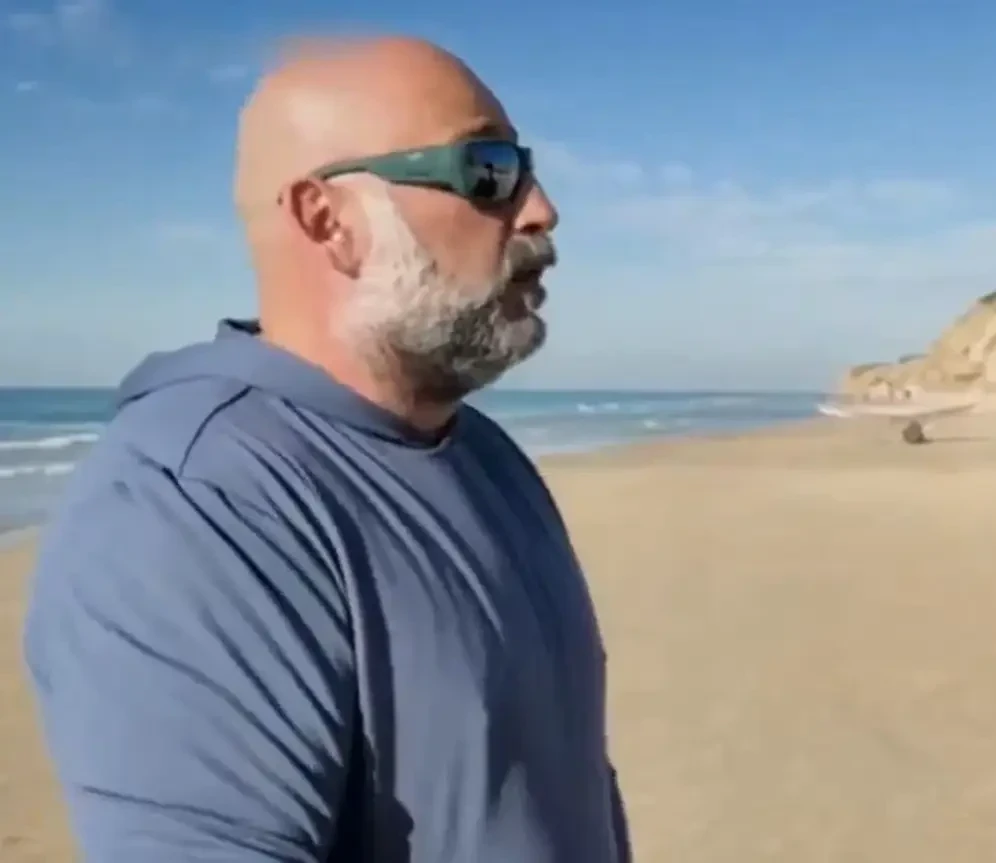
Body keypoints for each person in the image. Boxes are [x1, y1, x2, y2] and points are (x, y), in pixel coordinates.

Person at [23, 36, 631, 863]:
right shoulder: (194, 506)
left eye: (523, 168)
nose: (539, 210)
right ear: (328, 220)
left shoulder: (488, 458)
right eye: (487, 170)